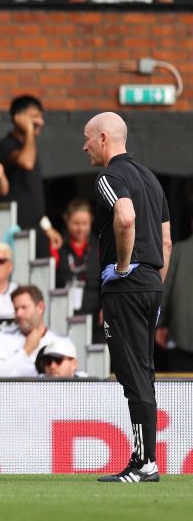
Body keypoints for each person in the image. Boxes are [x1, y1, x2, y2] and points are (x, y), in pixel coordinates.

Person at [83, 111, 171, 483]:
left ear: (104, 138)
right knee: (144, 373)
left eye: (87, 138)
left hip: (127, 286)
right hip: (151, 284)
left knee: (132, 375)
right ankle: (144, 458)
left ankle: (145, 462)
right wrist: (155, 281)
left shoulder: (109, 176)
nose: (84, 146)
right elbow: (166, 241)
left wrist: (121, 268)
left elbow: (124, 217)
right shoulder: (151, 179)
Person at [0, 95, 62, 256]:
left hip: (36, 229)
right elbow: (26, 162)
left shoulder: (29, 146)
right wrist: (29, 130)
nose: (40, 122)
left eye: (41, 117)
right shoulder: (7, 144)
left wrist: (47, 227)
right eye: (34, 117)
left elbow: (32, 195)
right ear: (18, 118)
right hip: (16, 230)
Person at [0, 285, 67, 377]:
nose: (19, 314)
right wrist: (26, 351)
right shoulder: (2, 338)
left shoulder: (60, 340)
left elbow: (68, 373)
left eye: (24, 308)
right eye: (16, 309)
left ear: (40, 307)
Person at [160, 232, 193, 371]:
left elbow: (166, 288)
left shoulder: (179, 250)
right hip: (180, 333)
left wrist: (160, 324)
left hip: (180, 332)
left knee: (181, 387)